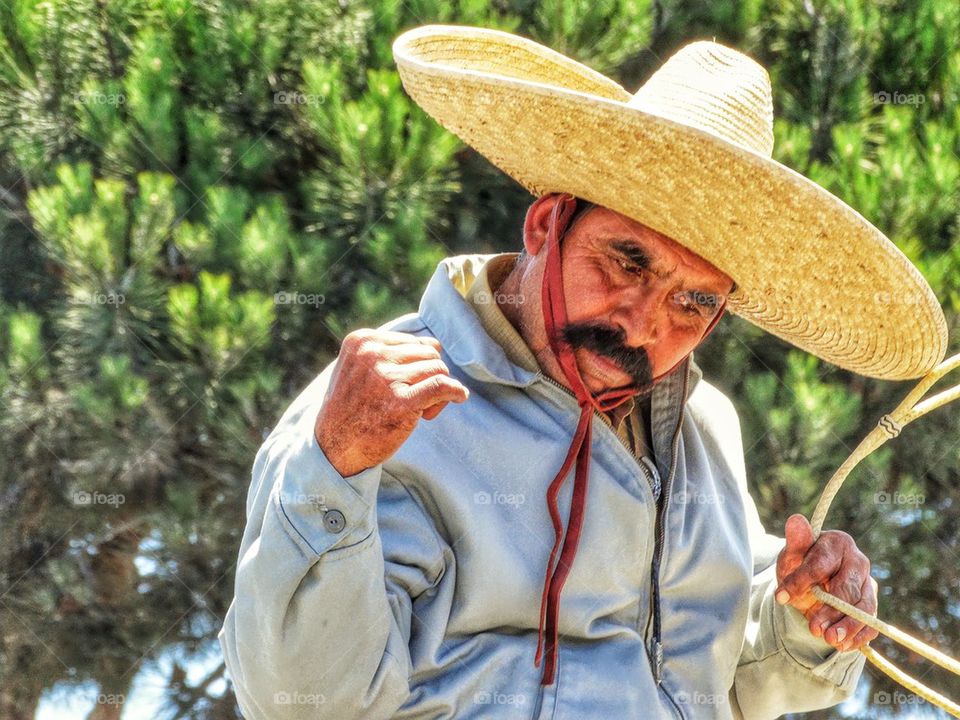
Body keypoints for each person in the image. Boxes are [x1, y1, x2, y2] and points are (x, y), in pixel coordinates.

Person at [219, 25, 948, 720]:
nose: (641, 323)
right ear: (545, 225)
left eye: (693, 302)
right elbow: (302, 701)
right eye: (627, 260)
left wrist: (805, 619)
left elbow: (718, 686)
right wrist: (336, 467)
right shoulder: (381, 418)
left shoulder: (704, 429)